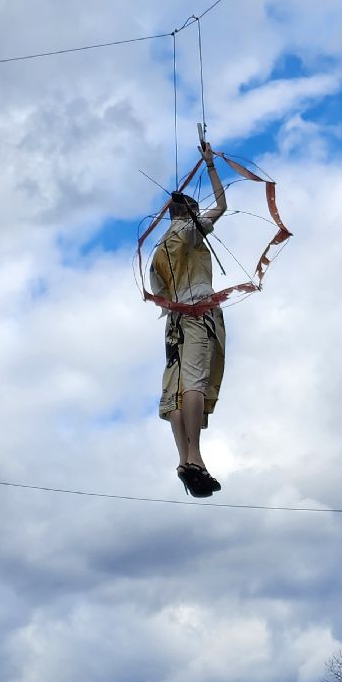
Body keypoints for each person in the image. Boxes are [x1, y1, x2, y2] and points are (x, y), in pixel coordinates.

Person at [150, 141, 227, 497]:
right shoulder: (190, 231)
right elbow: (223, 206)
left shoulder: (157, 252)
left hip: (174, 322)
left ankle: (184, 458)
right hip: (198, 314)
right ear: (190, 213)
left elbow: (161, 301)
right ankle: (195, 456)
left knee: (175, 389)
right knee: (195, 381)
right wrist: (210, 165)